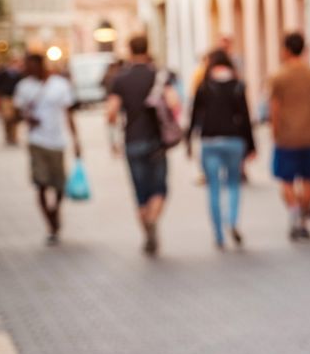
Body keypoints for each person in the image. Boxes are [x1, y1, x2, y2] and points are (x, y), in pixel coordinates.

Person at [106, 36, 180, 256]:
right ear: (148, 49)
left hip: (132, 140)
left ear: (130, 51)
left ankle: (146, 228)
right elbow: (174, 102)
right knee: (159, 188)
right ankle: (153, 220)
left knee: (140, 192)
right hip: (157, 141)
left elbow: (110, 113)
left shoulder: (120, 79)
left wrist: (116, 131)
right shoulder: (159, 75)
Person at [186, 49, 256, 249]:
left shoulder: (204, 86)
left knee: (214, 189)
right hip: (234, 141)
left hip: (210, 141)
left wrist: (189, 140)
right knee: (233, 184)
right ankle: (232, 220)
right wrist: (251, 145)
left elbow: (194, 116)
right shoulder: (237, 85)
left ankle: (218, 235)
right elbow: (245, 118)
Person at [13, 53, 82, 246]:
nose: (26, 69)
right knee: (41, 183)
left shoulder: (59, 85)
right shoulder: (24, 86)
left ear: (39, 65)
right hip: (36, 141)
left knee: (59, 184)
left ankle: (55, 211)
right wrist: (27, 118)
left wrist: (76, 141)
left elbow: (69, 113)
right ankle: (50, 224)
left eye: (29, 65)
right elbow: (17, 110)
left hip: (57, 142)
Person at [268, 32, 310, 241]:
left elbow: (274, 110)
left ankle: (294, 213)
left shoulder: (278, 77)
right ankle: (303, 221)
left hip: (287, 137)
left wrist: (275, 133)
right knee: (309, 181)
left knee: (286, 181)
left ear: (285, 50)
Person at [0, 58, 23, 145]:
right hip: (5, 97)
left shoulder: (18, 75)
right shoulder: (3, 74)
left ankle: (13, 136)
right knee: (7, 118)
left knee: (15, 119)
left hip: (15, 97)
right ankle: (8, 135)